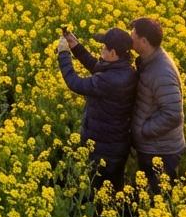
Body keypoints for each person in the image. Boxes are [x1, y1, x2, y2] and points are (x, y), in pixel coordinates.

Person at [56, 26, 138, 192]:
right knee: (112, 190)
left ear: (113, 53)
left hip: (104, 148)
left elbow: (75, 83)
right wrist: (75, 46)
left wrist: (63, 54)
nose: (101, 49)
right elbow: (97, 67)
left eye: (104, 47)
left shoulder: (111, 80)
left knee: (100, 191)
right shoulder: (125, 69)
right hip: (115, 144)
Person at [130, 17, 186, 194]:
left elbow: (173, 114)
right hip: (153, 146)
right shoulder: (149, 61)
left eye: (133, 35)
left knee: (158, 201)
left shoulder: (162, 72)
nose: (130, 38)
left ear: (144, 41)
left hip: (161, 151)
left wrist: (143, 131)